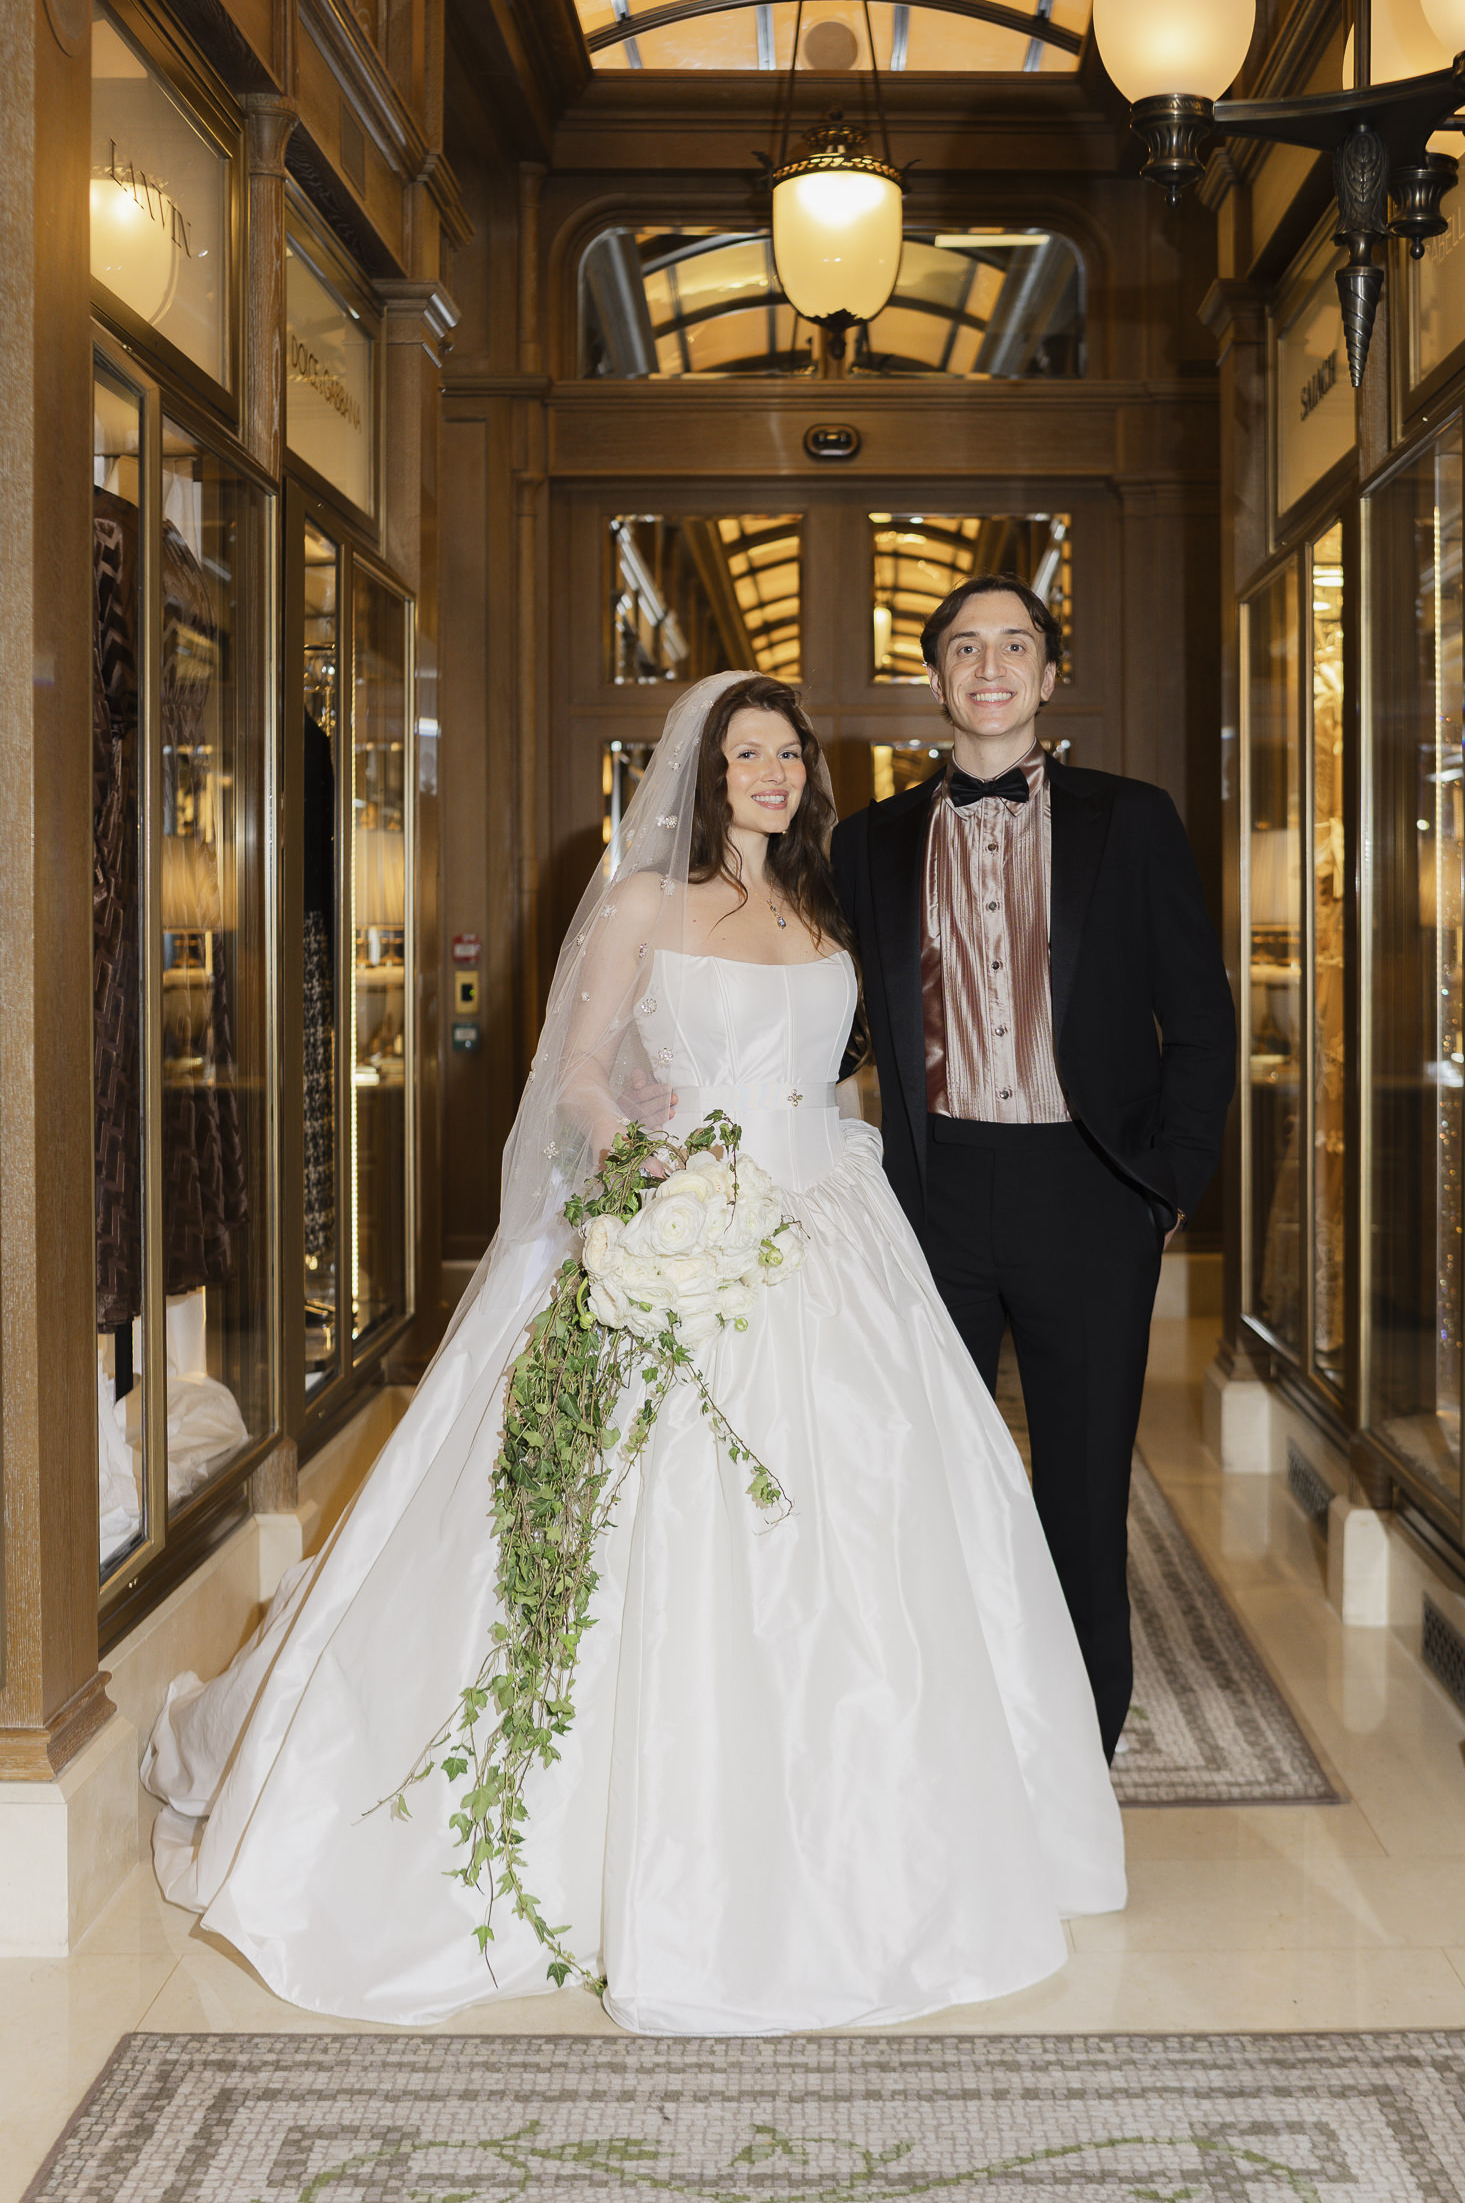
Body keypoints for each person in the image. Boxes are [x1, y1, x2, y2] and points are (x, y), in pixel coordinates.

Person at [143, 670, 1125, 2033]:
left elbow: (845, 1070)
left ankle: (884, 1833)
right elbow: (584, 1069)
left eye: (788, 753)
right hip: (676, 1217)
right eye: (746, 755)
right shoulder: (642, 907)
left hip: (828, 1229)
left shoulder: (825, 900)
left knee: (886, 1519)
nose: (771, 775)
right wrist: (634, 1154)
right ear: (703, 774)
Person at [831, 577, 1236, 1761]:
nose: (991, 665)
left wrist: (1162, 1184)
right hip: (932, 1201)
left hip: (1088, 1193)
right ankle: (955, 1753)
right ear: (938, 677)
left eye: (1015, 644)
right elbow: (836, 1022)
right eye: (966, 647)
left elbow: (1199, 1027)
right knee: (938, 1497)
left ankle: (1078, 1760)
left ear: (1049, 675)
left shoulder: (1136, 817)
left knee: (1080, 1499)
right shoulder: (869, 842)